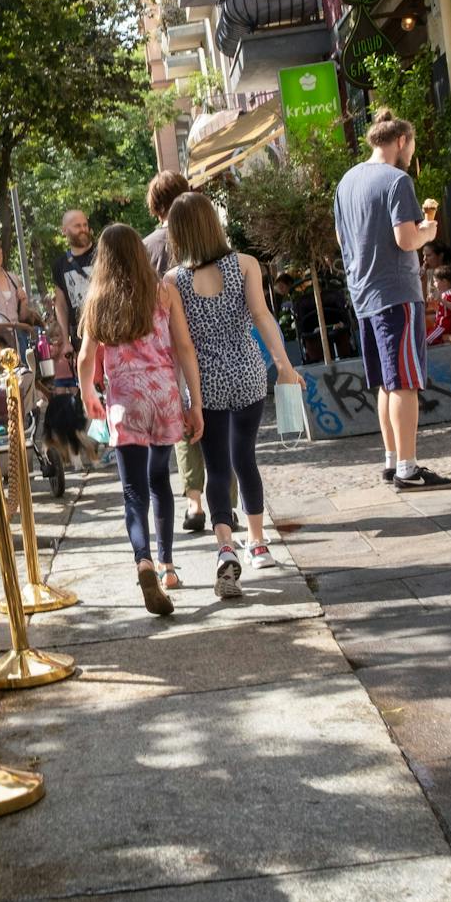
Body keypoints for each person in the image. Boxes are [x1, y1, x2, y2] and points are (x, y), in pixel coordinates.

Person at [165, 192, 304, 599]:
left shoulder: (173, 281)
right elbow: (262, 316)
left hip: (205, 382)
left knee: (216, 467)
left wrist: (182, 396)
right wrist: (284, 365)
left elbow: (181, 346)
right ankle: (258, 543)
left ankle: (225, 546)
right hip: (246, 374)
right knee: (246, 458)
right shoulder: (246, 265)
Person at [77, 224, 204, 613]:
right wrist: (194, 402)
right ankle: (167, 567)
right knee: (160, 482)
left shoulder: (98, 299)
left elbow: (85, 359)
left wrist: (88, 396)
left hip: (125, 400)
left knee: (133, 492)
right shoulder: (164, 290)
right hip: (163, 395)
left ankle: (143, 561)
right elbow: (184, 346)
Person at [333, 107, 451, 491]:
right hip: (396, 292)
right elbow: (406, 239)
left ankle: (391, 461)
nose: (411, 151)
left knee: (387, 383)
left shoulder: (347, 182)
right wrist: (428, 232)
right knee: (404, 382)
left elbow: (341, 240)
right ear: (400, 140)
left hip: (363, 293)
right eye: (411, 144)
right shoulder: (396, 180)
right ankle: (407, 467)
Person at [143, 170, 222, 530]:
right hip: (208, 337)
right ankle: (227, 502)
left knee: (184, 420)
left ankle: (195, 504)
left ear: (155, 206)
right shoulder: (201, 234)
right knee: (218, 417)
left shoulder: (147, 247)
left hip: (169, 346)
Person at [52, 209, 98, 364]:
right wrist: (66, 341)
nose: (83, 229)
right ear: (64, 230)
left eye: (85, 224)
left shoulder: (103, 253)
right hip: (80, 336)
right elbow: (61, 304)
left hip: (107, 331)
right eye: (77, 226)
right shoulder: (59, 265)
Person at [426, 266, 451, 345]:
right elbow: (441, 311)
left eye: (436, 281)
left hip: (445, 326)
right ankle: (442, 340)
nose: (434, 284)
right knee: (426, 333)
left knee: (427, 340)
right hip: (440, 326)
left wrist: (442, 301)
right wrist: (433, 303)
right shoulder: (443, 294)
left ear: (445, 282)